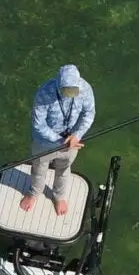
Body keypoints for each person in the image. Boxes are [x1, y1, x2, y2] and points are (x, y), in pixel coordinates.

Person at [22, 63, 96, 214]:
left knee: (64, 169)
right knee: (39, 169)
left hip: (71, 142)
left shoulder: (85, 89)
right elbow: (38, 124)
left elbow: (89, 114)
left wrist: (77, 135)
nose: (69, 93)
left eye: (73, 90)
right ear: (58, 84)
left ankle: (59, 196)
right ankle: (34, 193)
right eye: (65, 90)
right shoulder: (44, 93)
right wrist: (60, 141)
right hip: (45, 143)